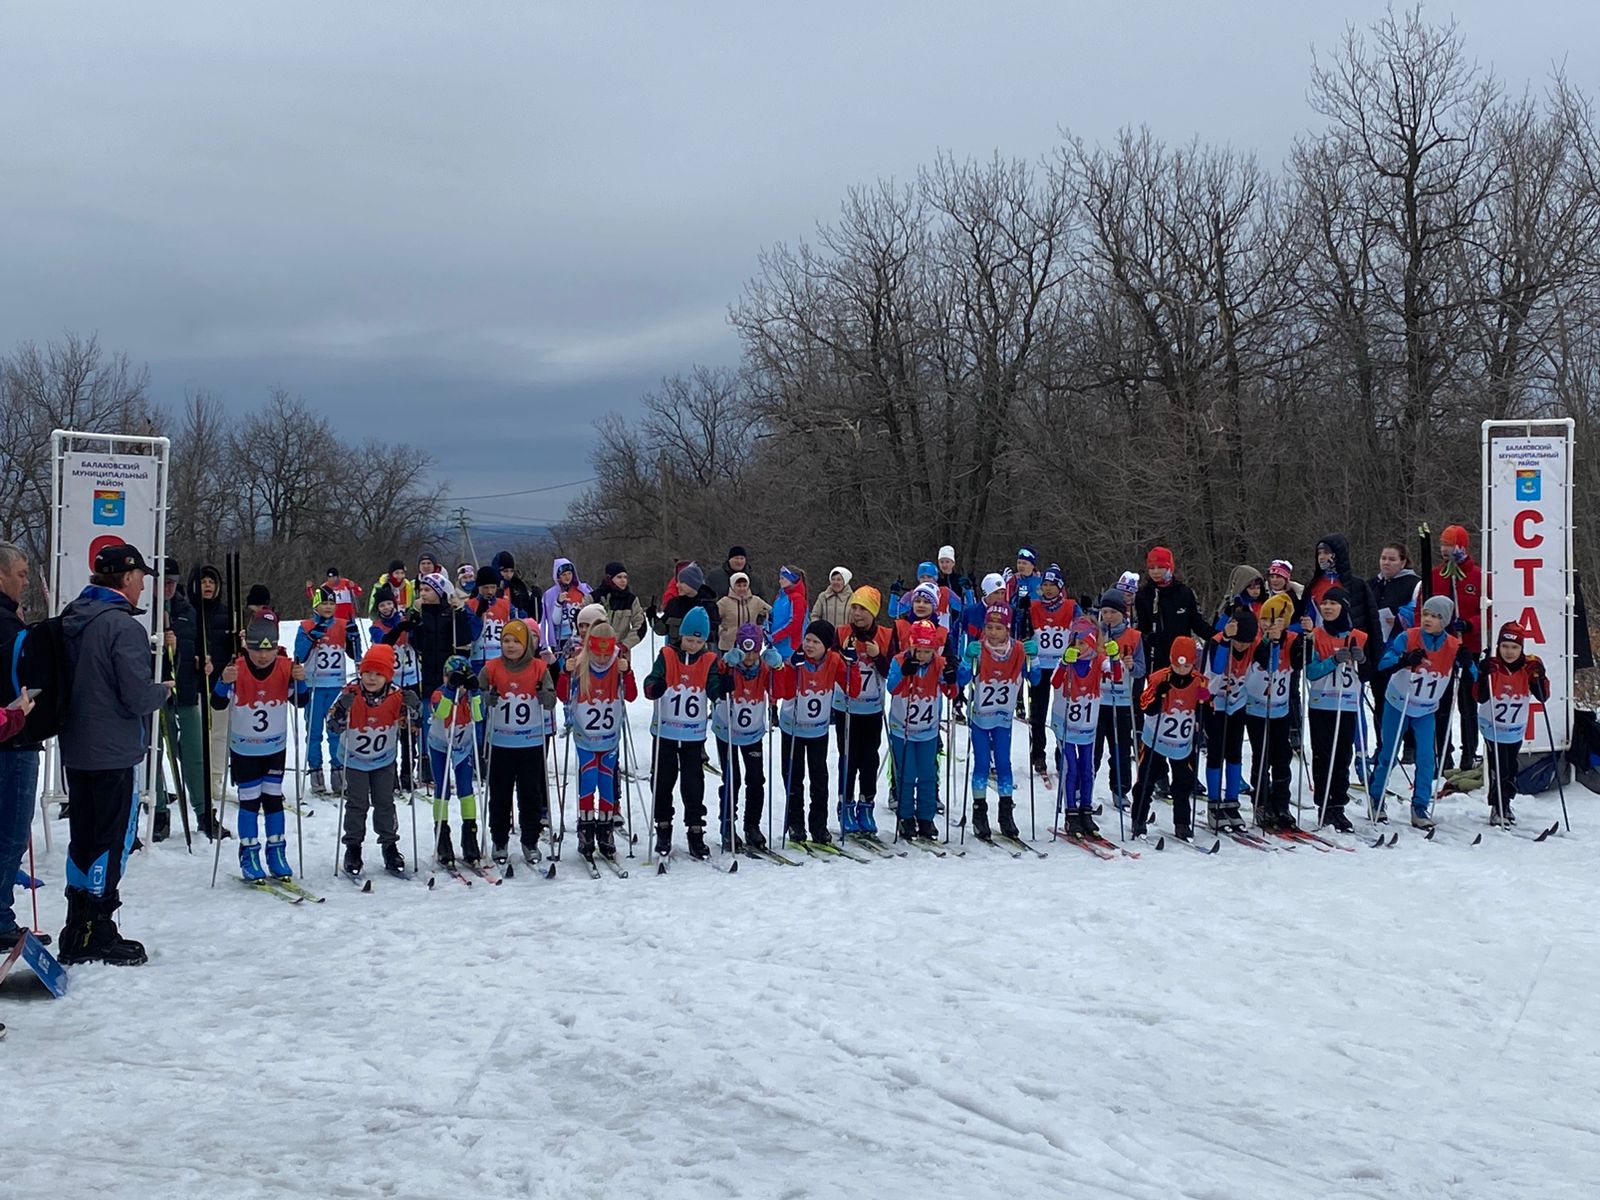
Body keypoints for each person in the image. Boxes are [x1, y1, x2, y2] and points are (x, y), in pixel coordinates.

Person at [55, 544, 174, 965]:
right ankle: (99, 930)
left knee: (82, 837)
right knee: (108, 839)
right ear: (125, 578)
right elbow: (137, 695)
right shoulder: (122, 627)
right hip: (113, 750)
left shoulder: (74, 616)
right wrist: (162, 690)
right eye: (140, 577)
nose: (144, 585)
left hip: (77, 747)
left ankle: (76, 926)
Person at [213, 619, 309, 884]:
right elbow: (217, 703)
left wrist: (300, 681)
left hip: (274, 747)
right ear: (247, 648)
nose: (264, 655)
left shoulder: (285, 666)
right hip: (245, 749)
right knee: (250, 801)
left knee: (273, 800)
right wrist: (223, 680)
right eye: (257, 650)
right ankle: (249, 852)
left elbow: (302, 701)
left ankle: (277, 852)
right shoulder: (237, 668)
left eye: (269, 650)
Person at [1367, 595, 1474, 829]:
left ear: (1445, 621)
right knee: (1389, 753)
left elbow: (1473, 677)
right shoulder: (1409, 636)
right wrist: (1404, 659)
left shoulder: (1453, 645)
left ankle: (1420, 805)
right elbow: (1383, 664)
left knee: (1427, 758)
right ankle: (1376, 798)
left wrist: (1467, 662)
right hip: (1398, 702)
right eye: (1426, 614)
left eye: (1435, 616)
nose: (1428, 619)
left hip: (1425, 708)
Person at [326, 643, 420, 878]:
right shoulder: (350, 693)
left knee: (385, 802)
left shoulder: (397, 696)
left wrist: (414, 707)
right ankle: (353, 847)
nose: (371, 678)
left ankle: (389, 846)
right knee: (358, 804)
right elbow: (332, 726)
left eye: (378, 674)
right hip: (355, 759)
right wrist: (340, 711)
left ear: (387, 676)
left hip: (384, 759)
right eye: (368, 673)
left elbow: (412, 727)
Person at [643, 605, 725, 859]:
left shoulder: (709, 659)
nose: (693, 645)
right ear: (682, 636)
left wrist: (721, 688)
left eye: (699, 641)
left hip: (692, 735)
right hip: (665, 732)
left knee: (693, 783)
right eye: (690, 639)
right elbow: (650, 681)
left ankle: (695, 829)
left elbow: (712, 687)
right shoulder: (667, 655)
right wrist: (654, 686)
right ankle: (663, 826)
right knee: (663, 780)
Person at [772, 620, 859, 845]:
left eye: (815, 642)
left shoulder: (834, 660)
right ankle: (795, 823)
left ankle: (819, 826)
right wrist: (791, 667)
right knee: (793, 777)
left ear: (827, 646)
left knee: (819, 779)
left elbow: (853, 689)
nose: (809, 645)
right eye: (807, 639)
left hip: (818, 731)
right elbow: (784, 692)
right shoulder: (796, 659)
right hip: (793, 729)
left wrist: (853, 665)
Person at [559, 621, 638, 863]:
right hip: (585, 737)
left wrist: (628, 672)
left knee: (606, 781)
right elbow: (563, 695)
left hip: (610, 738)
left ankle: (605, 832)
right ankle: (585, 829)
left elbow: (633, 696)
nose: (603, 658)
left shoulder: (618, 662)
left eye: (607, 653)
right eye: (598, 653)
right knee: (588, 779)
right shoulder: (580, 662)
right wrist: (565, 671)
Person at [480, 619, 556, 866]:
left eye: (516, 641)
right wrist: (485, 698)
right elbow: (475, 696)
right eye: (506, 641)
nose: (510, 646)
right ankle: (499, 839)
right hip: (501, 742)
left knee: (530, 794)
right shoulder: (491, 668)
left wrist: (546, 696)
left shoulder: (538, 668)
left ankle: (530, 839)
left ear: (527, 644)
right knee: (499, 793)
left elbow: (551, 699)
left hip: (530, 742)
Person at [958, 603, 1037, 841]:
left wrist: (1034, 658)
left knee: (1004, 763)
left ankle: (1005, 812)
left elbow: (1035, 678)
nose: (993, 632)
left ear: (1008, 629)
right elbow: (961, 680)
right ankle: (979, 812)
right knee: (982, 763)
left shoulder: (1018, 649)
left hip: (1003, 718)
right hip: (981, 718)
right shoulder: (978, 648)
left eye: (998, 628)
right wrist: (965, 659)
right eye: (989, 627)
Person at [1135, 547, 1211, 794]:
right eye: (1152, 567)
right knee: (1160, 716)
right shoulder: (1145, 594)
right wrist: (1148, 638)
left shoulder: (1183, 593)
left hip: (1184, 664)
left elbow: (1196, 622)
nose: (1156, 572)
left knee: (1183, 717)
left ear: (1170, 567)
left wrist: (1217, 636)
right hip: (1159, 665)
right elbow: (1142, 629)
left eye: (1160, 567)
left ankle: (1185, 773)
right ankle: (1159, 774)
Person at [0, 542, 45, 948]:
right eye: (21, 574)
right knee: (11, 833)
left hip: (13, 736)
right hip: (11, 741)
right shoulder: (6, 626)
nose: (25, 581)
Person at [390, 573, 472, 788]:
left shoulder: (450, 611)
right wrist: (414, 615)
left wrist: (461, 612)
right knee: (428, 722)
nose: (423, 594)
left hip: (446, 674)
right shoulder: (420, 612)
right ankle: (426, 768)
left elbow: (464, 639)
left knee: (448, 720)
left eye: (428, 590)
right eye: (422, 590)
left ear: (439, 591)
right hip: (424, 674)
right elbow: (413, 638)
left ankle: (455, 764)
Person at [711, 623, 782, 849]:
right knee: (732, 779)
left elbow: (779, 691)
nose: (750, 657)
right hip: (727, 731)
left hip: (752, 733)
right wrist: (724, 666)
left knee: (755, 779)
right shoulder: (729, 665)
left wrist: (779, 667)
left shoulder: (763, 669)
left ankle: (752, 825)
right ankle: (727, 824)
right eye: (745, 650)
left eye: (754, 651)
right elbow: (713, 681)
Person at [1304, 588, 1368, 833]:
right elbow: (1310, 672)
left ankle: (1338, 806)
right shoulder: (1314, 636)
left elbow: (1369, 671)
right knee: (1323, 756)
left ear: (1344, 607)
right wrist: (1333, 661)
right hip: (1322, 704)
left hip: (1348, 704)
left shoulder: (1358, 636)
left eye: (1333, 603)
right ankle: (1324, 805)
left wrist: (1361, 661)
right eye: (1324, 603)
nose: (1328, 607)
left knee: (1343, 756)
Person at [1422, 524, 1484, 772]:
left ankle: (1469, 752)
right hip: (1440, 647)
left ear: (1462, 547)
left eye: (1450, 545)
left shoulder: (1478, 577)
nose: (1445, 550)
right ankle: (1442, 753)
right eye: (1442, 545)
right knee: (1440, 701)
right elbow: (1422, 607)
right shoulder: (1436, 576)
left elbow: (1489, 611)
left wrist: (1470, 624)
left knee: (1468, 702)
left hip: (1469, 646)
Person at [886, 619, 955, 842]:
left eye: (928, 651)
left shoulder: (939, 663)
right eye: (919, 650)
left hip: (927, 730)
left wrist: (954, 676)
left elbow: (951, 691)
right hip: (902, 729)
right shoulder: (899, 660)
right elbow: (891, 687)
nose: (923, 655)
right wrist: (904, 672)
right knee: (906, 775)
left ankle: (926, 818)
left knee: (927, 774)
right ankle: (905, 817)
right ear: (911, 646)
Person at [1474, 622, 1548, 826]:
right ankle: (1498, 806)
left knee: (1511, 767)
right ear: (1498, 646)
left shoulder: (1528, 666)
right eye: (1505, 646)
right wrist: (1482, 675)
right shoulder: (1493, 665)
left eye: (1515, 647)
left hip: (1515, 727)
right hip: (1492, 726)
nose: (1509, 651)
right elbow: (1479, 697)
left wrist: (1540, 675)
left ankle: (1505, 803)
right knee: (1500, 768)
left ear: (1521, 648)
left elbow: (1543, 696)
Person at [1129, 636, 1203, 841]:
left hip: (1182, 744)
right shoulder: (1158, 678)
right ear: (1171, 661)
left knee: (1183, 784)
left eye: (1187, 665)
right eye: (1177, 665)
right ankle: (1139, 819)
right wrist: (1156, 696)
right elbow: (1144, 707)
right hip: (1155, 741)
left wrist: (1204, 703)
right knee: (1146, 781)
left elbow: (1206, 704)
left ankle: (1182, 823)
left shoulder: (1199, 680)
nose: (1181, 670)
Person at [153, 557, 204, 842]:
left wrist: (202, 662)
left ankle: (203, 811)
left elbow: (198, 645)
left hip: (184, 691)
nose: (169, 587)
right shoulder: (145, 611)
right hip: (156, 694)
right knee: (155, 754)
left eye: (173, 582)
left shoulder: (187, 611)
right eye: (164, 582)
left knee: (193, 754)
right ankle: (160, 811)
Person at [1243, 593, 1303, 831]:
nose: (1268, 624)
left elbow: (1300, 662)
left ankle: (1281, 804)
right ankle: (1261, 802)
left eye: (1275, 620)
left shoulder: (1293, 638)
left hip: (1280, 709)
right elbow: (1261, 657)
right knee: (1262, 755)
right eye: (1265, 618)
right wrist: (1270, 640)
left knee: (1282, 757)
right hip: (1256, 709)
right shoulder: (1257, 638)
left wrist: (1304, 638)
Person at [835, 588, 893, 833]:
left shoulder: (886, 635)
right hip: (845, 707)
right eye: (854, 608)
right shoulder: (841, 633)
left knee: (869, 758)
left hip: (871, 708)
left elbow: (891, 672)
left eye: (863, 609)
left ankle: (866, 804)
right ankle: (845, 804)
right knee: (848, 757)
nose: (857, 614)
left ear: (873, 612)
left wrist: (878, 656)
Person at [1049, 628, 1110, 839]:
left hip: (1087, 725)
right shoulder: (1067, 659)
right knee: (1071, 768)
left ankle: (1086, 809)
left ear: (1092, 644)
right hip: (1065, 725)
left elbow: (1115, 675)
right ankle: (1071, 812)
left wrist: (1117, 658)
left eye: (1083, 643)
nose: (1078, 647)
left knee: (1087, 767)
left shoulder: (1099, 660)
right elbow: (1055, 682)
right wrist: (1065, 663)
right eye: (1075, 643)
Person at [188, 562, 233, 837]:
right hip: (194, 684)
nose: (208, 586)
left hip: (219, 684)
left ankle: (216, 780)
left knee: (218, 734)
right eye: (204, 581)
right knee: (196, 739)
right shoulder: (188, 611)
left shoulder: (227, 614)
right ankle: (198, 783)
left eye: (212, 582)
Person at [1203, 607, 1257, 833]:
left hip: (1237, 703)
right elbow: (1215, 669)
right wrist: (1227, 640)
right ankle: (1214, 803)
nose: (1242, 646)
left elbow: (1270, 665)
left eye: (1246, 642)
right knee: (1216, 752)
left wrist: (1274, 642)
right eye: (1239, 642)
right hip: (1214, 702)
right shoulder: (1217, 642)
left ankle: (1232, 803)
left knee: (1234, 752)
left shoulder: (1252, 644)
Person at [1368, 542, 1422, 768]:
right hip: (1379, 650)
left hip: (1402, 648)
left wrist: (1400, 617)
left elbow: (1417, 609)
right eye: (1383, 558)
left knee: (1406, 698)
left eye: (1391, 559)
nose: (1386, 563)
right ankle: (1383, 745)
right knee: (1381, 699)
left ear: (1403, 562)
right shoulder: (1372, 584)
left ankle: (1410, 745)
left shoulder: (1413, 583)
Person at [428, 655, 484, 867]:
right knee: (442, 788)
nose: (457, 684)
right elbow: (441, 712)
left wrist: (476, 691)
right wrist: (450, 690)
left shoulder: (468, 696)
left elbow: (479, 716)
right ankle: (442, 837)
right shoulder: (438, 694)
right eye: (450, 677)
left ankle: (469, 837)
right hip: (439, 744)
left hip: (462, 745)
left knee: (465, 788)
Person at [295, 586, 350, 795]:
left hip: (336, 686)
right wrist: (311, 638)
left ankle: (338, 770)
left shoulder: (343, 625)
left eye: (331, 603)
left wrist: (353, 638)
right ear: (316, 605)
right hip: (314, 686)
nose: (328, 607)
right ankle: (315, 770)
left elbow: (355, 655)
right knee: (315, 731)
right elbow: (299, 655)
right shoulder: (306, 625)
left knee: (336, 730)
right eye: (324, 603)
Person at [1028, 565, 1079, 782]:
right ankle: (1038, 755)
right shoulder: (1033, 607)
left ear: (1060, 587)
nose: (1048, 589)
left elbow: (1081, 630)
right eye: (1045, 585)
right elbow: (1026, 633)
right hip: (1040, 666)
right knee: (1038, 714)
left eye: (1052, 585)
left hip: (1063, 667)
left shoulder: (1071, 606)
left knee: (1061, 714)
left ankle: (1062, 755)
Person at [1094, 590, 1144, 811]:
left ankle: (1120, 789)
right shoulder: (1095, 635)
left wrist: (1131, 665)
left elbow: (1141, 670)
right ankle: (1085, 789)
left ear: (1123, 613)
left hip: (1122, 701)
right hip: (1097, 700)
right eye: (1105, 612)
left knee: (1120, 748)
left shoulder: (1134, 636)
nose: (1109, 616)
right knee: (1094, 748)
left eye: (1113, 612)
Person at [649, 561, 721, 650]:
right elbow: (662, 630)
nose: (677, 585)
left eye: (681, 582)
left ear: (692, 583)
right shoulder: (674, 604)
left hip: (701, 657)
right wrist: (652, 617)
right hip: (675, 655)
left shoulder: (709, 605)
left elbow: (713, 636)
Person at [305, 567, 363, 659]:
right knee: (336, 642)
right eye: (330, 577)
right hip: (334, 620)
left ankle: (358, 659)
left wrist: (353, 587)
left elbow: (359, 592)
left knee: (353, 640)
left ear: (338, 577)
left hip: (348, 618)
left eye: (335, 577)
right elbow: (315, 599)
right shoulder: (324, 587)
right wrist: (309, 589)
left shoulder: (346, 582)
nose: (332, 579)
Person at [541, 557, 592, 658]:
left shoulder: (583, 589)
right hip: (561, 638)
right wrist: (558, 603)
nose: (567, 577)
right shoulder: (550, 594)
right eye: (564, 575)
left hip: (581, 635)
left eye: (569, 573)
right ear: (558, 576)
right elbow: (555, 621)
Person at [593, 562, 647, 648]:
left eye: (625, 577)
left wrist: (625, 645)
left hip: (621, 653)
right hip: (596, 649)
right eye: (619, 577)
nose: (623, 580)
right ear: (609, 578)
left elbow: (640, 626)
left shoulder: (631, 600)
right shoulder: (594, 597)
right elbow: (582, 623)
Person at [717, 572, 773, 651]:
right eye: (738, 586)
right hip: (729, 645)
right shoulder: (724, 602)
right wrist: (722, 632)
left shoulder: (756, 600)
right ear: (732, 586)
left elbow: (771, 612)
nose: (742, 588)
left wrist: (761, 629)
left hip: (750, 644)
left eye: (744, 585)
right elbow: (712, 618)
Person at [492, 551, 539, 624]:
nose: (508, 575)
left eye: (511, 571)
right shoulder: (487, 588)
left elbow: (533, 617)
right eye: (505, 571)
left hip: (516, 629)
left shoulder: (517, 587)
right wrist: (496, 600)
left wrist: (535, 599)